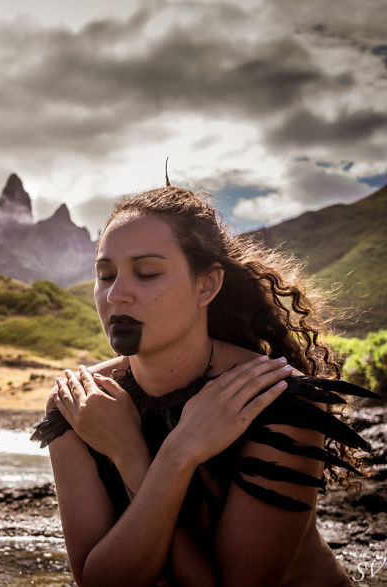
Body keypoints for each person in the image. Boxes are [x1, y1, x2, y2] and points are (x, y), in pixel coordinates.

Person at [31, 182, 377, 586]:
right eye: (105, 275)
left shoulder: (277, 400)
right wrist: (150, 455)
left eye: (147, 273)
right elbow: (97, 580)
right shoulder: (80, 406)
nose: (117, 295)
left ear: (206, 285)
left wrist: (156, 455)